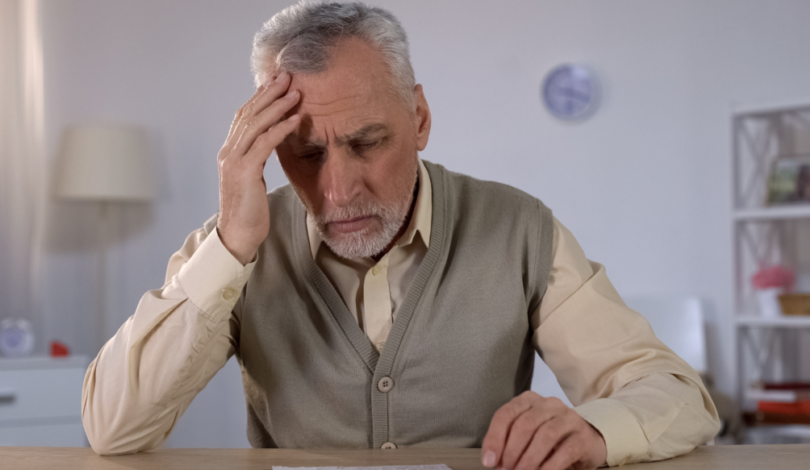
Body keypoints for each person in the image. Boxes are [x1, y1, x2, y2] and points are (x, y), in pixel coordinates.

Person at [81, 2, 719, 469]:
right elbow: (112, 428)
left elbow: (677, 395)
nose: (339, 191)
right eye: (305, 155)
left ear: (418, 118)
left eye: (368, 143)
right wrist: (232, 248)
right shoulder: (235, 246)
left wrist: (594, 430)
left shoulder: (518, 228)